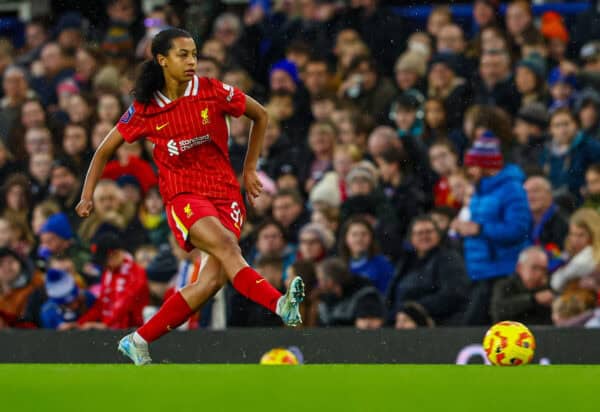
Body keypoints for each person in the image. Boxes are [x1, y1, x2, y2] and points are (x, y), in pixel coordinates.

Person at [76, 29, 304, 365]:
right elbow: (104, 150)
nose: (192, 61)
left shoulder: (212, 90)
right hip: (184, 195)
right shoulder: (145, 109)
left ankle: (138, 339)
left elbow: (261, 115)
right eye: (183, 54)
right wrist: (87, 195)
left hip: (226, 196)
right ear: (162, 59)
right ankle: (280, 304)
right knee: (228, 247)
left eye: (194, 54)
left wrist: (250, 169)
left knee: (210, 282)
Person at [455, 131, 531, 325]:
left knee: (478, 328)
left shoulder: (512, 189)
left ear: (486, 164)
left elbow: (518, 229)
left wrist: (479, 229)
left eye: (473, 165)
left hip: (501, 271)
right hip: (479, 271)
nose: (469, 170)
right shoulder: (480, 190)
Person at [387, 216, 468, 326]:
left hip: (437, 322)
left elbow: (453, 294)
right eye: (419, 233)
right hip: (401, 318)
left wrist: (415, 309)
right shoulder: (405, 262)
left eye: (429, 232)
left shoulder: (448, 258)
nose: (424, 236)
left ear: (438, 235)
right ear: (411, 238)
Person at [314, 257, 386, 329]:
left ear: (330, 280)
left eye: (320, 279)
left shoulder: (365, 294)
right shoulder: (324, 297)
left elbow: (368, 324)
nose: (318, 284)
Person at [490, 246, 553, 325]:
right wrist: (533, 299)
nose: (540, 273)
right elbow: (498, 310)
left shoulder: (548, 288)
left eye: (543, 269)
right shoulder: (505, 285)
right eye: (535, 268)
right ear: (519, 267)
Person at [338, 216, 393, 294]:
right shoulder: (339, 265)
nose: (359, 239)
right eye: (354, 235)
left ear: (371, 238)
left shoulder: (382, 264)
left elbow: (387, 294)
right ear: (345, 238)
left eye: (364, 234)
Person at [551, 208, 600, 293]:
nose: (575, 240)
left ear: (594, 235)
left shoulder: (589, 256)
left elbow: (556, 283)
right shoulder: (569, 254)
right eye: (572, 234)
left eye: (581, 235)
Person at [523, 176, 569, 266]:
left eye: (535, 191)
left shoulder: (562, 222)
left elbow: (562, 255)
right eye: (526, 192)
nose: (530, 196)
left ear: (549, 194)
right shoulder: (522, 220)